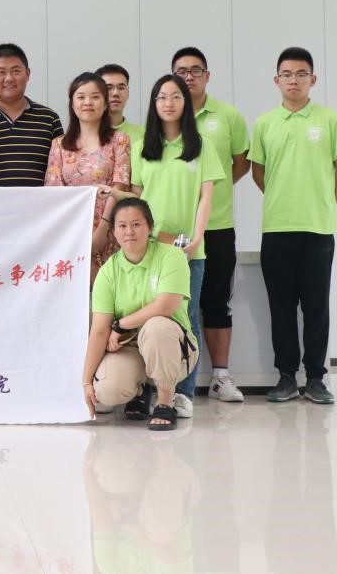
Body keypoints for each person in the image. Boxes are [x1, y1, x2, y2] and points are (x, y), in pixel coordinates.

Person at [115, 74, 224, 420]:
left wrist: (196, 239)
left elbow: (206, 197)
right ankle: (148, 391)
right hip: (148, 251)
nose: (169, 103)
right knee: (149, 318)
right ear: (154, 103)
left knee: (185, 318)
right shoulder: (141, 148)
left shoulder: (201, 146)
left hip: (188, 251)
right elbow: (137, 199)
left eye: (176, 97)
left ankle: (183, 393)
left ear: (185, 103)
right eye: (162, 97)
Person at [250, 47, 337, 404]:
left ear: (313, 79)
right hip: (276, 228)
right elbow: (259, 173)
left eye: (301, 74)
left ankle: (316, 378)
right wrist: (284, 198)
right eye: (287, 74)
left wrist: (322, 202)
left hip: (318, 229)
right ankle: (286, 377)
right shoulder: (264, 123)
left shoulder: (330, 119)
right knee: (280, 306)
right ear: (276, 80)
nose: (294, 80)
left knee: (316, 306)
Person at [171, 47, 250, 403]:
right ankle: (170, 381)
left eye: (195, 70)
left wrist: (211, 191)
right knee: (174, 303)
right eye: (181, 71)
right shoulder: (166, 116)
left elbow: (241, 162)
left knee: (217, 301)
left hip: (217, 225)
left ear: (207, 75)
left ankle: (220, 376)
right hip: (174, 230)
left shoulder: (228, 116)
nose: (189, 77)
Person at [82, 198, 199, 432]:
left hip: (172, 346)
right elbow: (100, 330)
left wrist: (121, 325)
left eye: (136, 224)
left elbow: (166, 306)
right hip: (129, 346)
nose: (129, 232)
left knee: (156, 326)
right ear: (113, 232)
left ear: (150, 227)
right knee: (107, 390)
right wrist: (86, 380)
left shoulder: (172, 257)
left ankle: (165, 402)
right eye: (122, 226)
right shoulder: (108, 271)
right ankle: (140, 390)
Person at [44, 72, 131, 283]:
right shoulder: (59, 145)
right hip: (70, 233)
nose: (88, 102)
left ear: (105, 103)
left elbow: (120, 187)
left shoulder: (119, 141)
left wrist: (102, 230)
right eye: (81, 97)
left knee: (107, 292)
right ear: (72, 103)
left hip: (110, 230)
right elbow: (54, 194)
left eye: (95, 97)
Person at [0, 43, 63, 186]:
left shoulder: (49, 118)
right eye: (1, 72)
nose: (9, 78)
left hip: (38, 200)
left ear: (27, 74)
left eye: (16, 71)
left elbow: (59, 168)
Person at [96, 63, 144, 143]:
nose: (116, 93)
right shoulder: (85, 135)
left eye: (121, 88)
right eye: (109, 88)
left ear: (128, 93)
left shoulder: (143, 135)